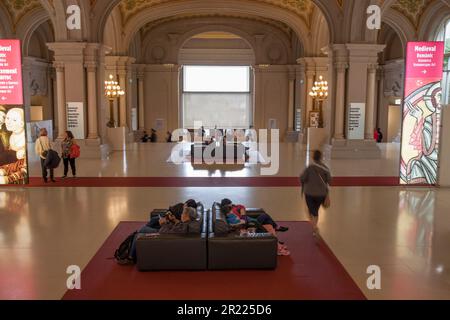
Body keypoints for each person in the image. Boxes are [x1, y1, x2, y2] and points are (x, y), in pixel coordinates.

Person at [122, 206, 200, 265]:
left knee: (140, 233)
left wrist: (164, 224)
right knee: (140, 232)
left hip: (161, 235)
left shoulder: (184, 227)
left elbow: (166, 233)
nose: (181, 215)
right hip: (165, 233)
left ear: (187, 216)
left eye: (183, 213)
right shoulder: (188, 223)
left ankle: (130, 257)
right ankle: (132, 254)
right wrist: (173, 221)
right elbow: (175, 229)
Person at [219, 199, 290, 256]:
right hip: (250, 224)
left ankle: (276, 240)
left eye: (232, 204)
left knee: (269, 224)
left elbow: (241, 206)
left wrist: (243, 217)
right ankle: (276, 239)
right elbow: (236, 224)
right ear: (228, 206)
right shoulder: (231, 214)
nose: (232, 206)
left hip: (250, 221)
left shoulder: (233, 208)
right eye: (230, 206)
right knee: (264, 216)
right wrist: (242, 220)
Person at [300, 150, 332, 237]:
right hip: (321, 194)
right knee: (315, 211)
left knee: (311, 211)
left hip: (309, 193)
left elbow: (302, 178)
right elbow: (329, 180)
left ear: (313, 157)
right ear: (321, 157)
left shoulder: (309, 168)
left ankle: (314, 227)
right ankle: (314, 227)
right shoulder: (325, 168)